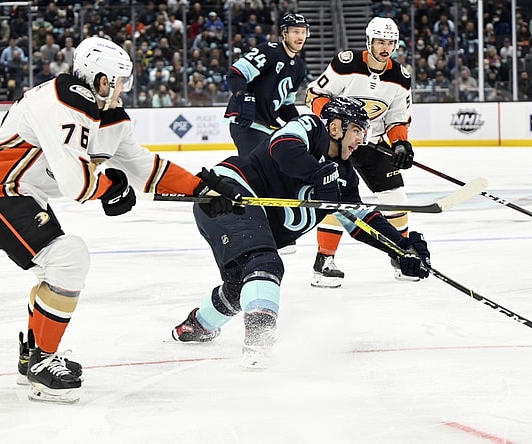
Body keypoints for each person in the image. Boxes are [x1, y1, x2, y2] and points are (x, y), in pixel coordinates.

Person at [0, 36, 242, 404]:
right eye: (120, 81)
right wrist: (109, 187)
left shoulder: (106, 115)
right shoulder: (63, 101)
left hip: (19, 193)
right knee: (67, 258)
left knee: (59, 265)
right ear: (101, 79)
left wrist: (202, 187)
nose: (124, 89)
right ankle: (42, 363)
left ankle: (33, 356)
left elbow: (143, 167)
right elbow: (76, 183)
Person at [170, 97, 432, 369]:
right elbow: (282, 148)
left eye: (364, 132)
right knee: (264, 264)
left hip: (248, 220)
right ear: (335, 128)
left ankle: (198, 325)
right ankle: (259, 343)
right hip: (227, 196)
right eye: (356, 130)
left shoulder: (346, 176)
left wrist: (400, 248)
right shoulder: (310, 127)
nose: (361, 139)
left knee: (242, 284)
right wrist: (317, 174)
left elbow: (362, 220)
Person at [304, 16, 417, 288]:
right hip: (338, 143)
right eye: (380, 41)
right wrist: (333, 117)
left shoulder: (400, 77)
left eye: (390, 42)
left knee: (396, 198)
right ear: (369, 41)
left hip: (373, 143)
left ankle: (400, 254)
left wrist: (400, 143)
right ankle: (324, 262)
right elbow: (313, 96)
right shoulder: (346, 64)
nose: (385, 47)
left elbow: (398, 118)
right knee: (336, 200)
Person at [223, 12, 309, 156]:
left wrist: (300, 124)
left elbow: (285, 106)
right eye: (295, 32)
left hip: (268, 127)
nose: (300, 37)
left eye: (303, 32)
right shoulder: (268, 51)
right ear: (285, 33)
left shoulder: (299, 67)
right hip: (248, 122)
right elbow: (235, 74)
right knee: (257, 170)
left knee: (276, 171)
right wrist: (242, 95)